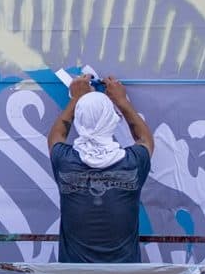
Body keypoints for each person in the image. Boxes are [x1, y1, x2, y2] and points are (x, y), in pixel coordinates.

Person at [46, 75, 154, 263]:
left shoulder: (64, 161)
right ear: (112, 120)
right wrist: (122, 101)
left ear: (79, 119)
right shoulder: (133, 163)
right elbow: (145, 139)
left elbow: (56, 135)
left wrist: (76, 99)